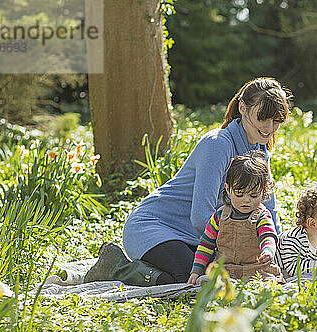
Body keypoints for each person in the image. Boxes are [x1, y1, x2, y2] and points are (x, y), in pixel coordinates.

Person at [83, 77, 291, 286]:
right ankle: (116, 267)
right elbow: (201, 217)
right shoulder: (218, 145)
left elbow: (268, 210)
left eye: (277, 121)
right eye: (263, 118)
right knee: (191, 281)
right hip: (153, 228)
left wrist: (277, 251)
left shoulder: (260, 151)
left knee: (227, 276)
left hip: (194, 238)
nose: (270, 127)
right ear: (243, 108)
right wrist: (237, 247)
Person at [187, 152, 283, 284]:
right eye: (239, 194)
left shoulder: (262, 216)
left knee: (267, 285)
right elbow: (206, 244)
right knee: (206, 282)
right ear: (228, 189)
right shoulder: (219, 216)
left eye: (253, 195)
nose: (246, 200)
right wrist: (196, 270)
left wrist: (268, 251)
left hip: (256, 271)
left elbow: (267, 236)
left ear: (263, 191)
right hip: (225, 271)